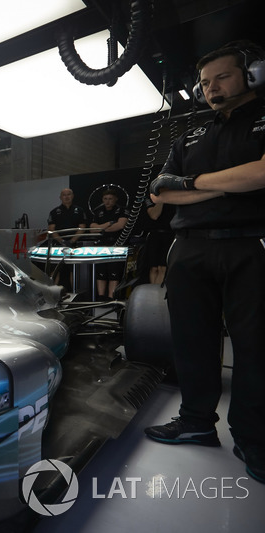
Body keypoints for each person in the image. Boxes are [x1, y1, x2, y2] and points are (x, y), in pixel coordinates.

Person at [144, 40, 265, 483]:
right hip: (190, 248)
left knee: (255, 348)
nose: (211, 88)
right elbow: (161, 190)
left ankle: (254, 438)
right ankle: (196, 422)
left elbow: (263, 173)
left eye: (222, 77)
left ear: (250, 75)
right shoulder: (190, 135)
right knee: (191, 341)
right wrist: (231, 183)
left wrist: (191, 185)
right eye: (204, 82)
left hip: (251, 244)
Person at [89, 187, 129, 300]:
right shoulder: (98, 211)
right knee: (100, 272)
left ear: (115, 199)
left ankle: (111, 298)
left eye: (110, 198)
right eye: (105, 198)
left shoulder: (122, 210)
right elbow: (92, 228)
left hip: (116, 245)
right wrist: (107, 224)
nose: (107, 201)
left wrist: (101, 228)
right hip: (101, 246)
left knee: (114, 273)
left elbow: (120, 225)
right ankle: (101, 297)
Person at [46, 188, 88, 290]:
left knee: (73, 270)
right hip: (58, 246)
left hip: (75, 246)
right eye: (64, 195)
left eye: (69, 194)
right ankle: (52, 294)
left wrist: (72, 241)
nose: (66, 196)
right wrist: (62, 241)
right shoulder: (54, 212)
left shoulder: (80, 210)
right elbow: (51, 229)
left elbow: (82, 227)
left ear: (72, 196)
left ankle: (74, 295)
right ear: (60, 197)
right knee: (55, 270)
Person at [141, 196, 175, 285]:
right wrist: (161, 199)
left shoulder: (174, 196)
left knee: (163, 267)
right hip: (155, 235)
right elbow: (154, 215)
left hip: (170, 234)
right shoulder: (150, 198)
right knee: (154, 267)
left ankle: (158, 289)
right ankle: (153, 288)